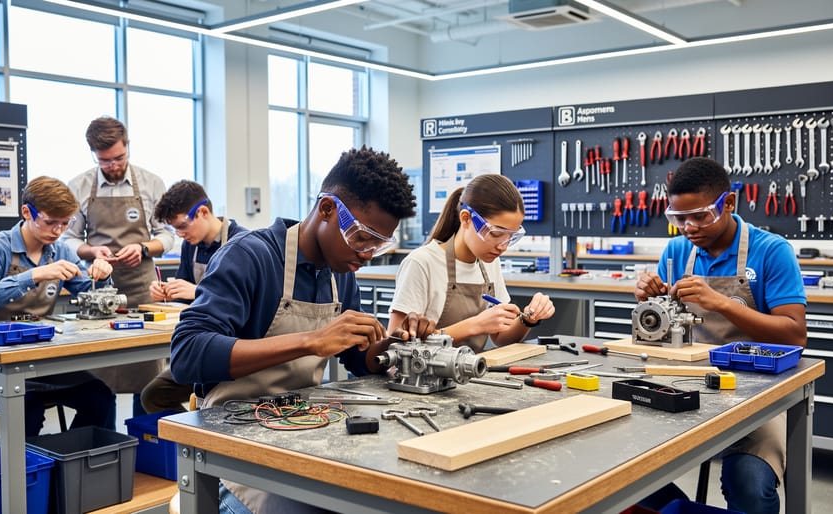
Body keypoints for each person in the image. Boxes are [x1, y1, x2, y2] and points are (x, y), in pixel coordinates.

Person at [170, 146, 435, 514]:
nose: (367, 253)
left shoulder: (340, 274)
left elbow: (359, 359)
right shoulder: (251, 256)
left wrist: (394, 346)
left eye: (379, 243)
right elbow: (187, 354)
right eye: (361, 237)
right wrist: (311, 341)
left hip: (304, 426)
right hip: (234, 443)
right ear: (327, 209)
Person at [634, 157, 806, 514]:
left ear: (729, 203)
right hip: (688, 383)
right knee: (623, 469)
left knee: (750, 484)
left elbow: (794, 335)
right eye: (679, 218)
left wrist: (725, 305)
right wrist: (651, 304)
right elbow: (663, 332)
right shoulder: (677, 251)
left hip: (756, 392)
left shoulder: (772, 251)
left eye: (700, 216)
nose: (689, 228)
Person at [0, 176, 116, 436]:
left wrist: (101, 277)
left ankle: (73, 469)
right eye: (50, 222)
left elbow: (90, 293)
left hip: (40, 362)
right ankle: (31, 476)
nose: (58, 231)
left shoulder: (60, 251)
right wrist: (33, 275)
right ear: (27, 212)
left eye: (64, 223)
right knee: (26, 408)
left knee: (100, 398)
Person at [63, 116, 173, 415]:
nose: (113, 166)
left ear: (128, 147)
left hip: (142, 289)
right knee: (100, 374)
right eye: (105, 161)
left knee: (148, 374)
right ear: (94, 155)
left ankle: (147, 445)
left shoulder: (151, 183)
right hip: (97, 289)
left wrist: (143, 248)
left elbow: (167, 234)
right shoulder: (79, 186)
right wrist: (90, 251)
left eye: (119, 158)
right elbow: (69, 239)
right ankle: (104, 451)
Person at [388, 173, 555, 352]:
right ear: (466, 218)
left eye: (511, 237)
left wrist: (528, 319)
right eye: (496, 234)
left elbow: (501, 338)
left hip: (471, 371)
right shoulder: (422, 263)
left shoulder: (490, 262)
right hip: (424, 377)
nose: (502, 247)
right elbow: (395, 346)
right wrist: (475, 325)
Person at [140, 180, 248, 413]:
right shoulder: (192, 245)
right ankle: (186, 438)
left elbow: (249, 304)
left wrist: (198, 291)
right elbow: (185, 299)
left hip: (231, 346)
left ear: (202, 212)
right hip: (199, 342)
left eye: (182, 226)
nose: (180, 235)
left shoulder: (243, 244)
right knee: (154, 395)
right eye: (175, 230)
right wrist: (168, 294)